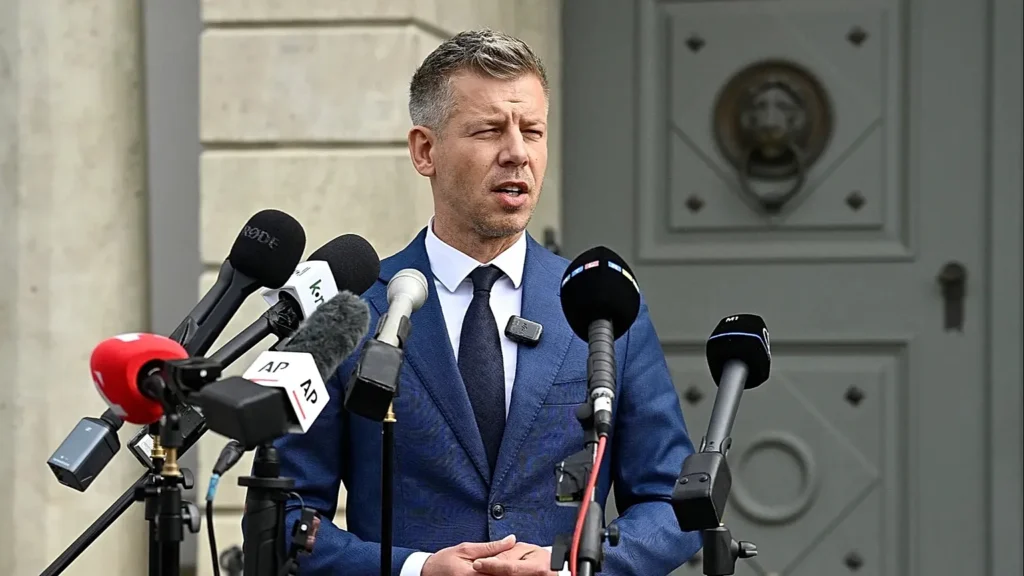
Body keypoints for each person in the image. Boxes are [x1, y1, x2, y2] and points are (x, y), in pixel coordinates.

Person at [271, 28, 702, 576]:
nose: (517, 153)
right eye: (490, 130)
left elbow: (673, 504)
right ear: (425, 151)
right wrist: (417, 570)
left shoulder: (605, 306)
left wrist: (572, 567)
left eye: (533, 131)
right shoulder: (349, 308)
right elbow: (283, 515)